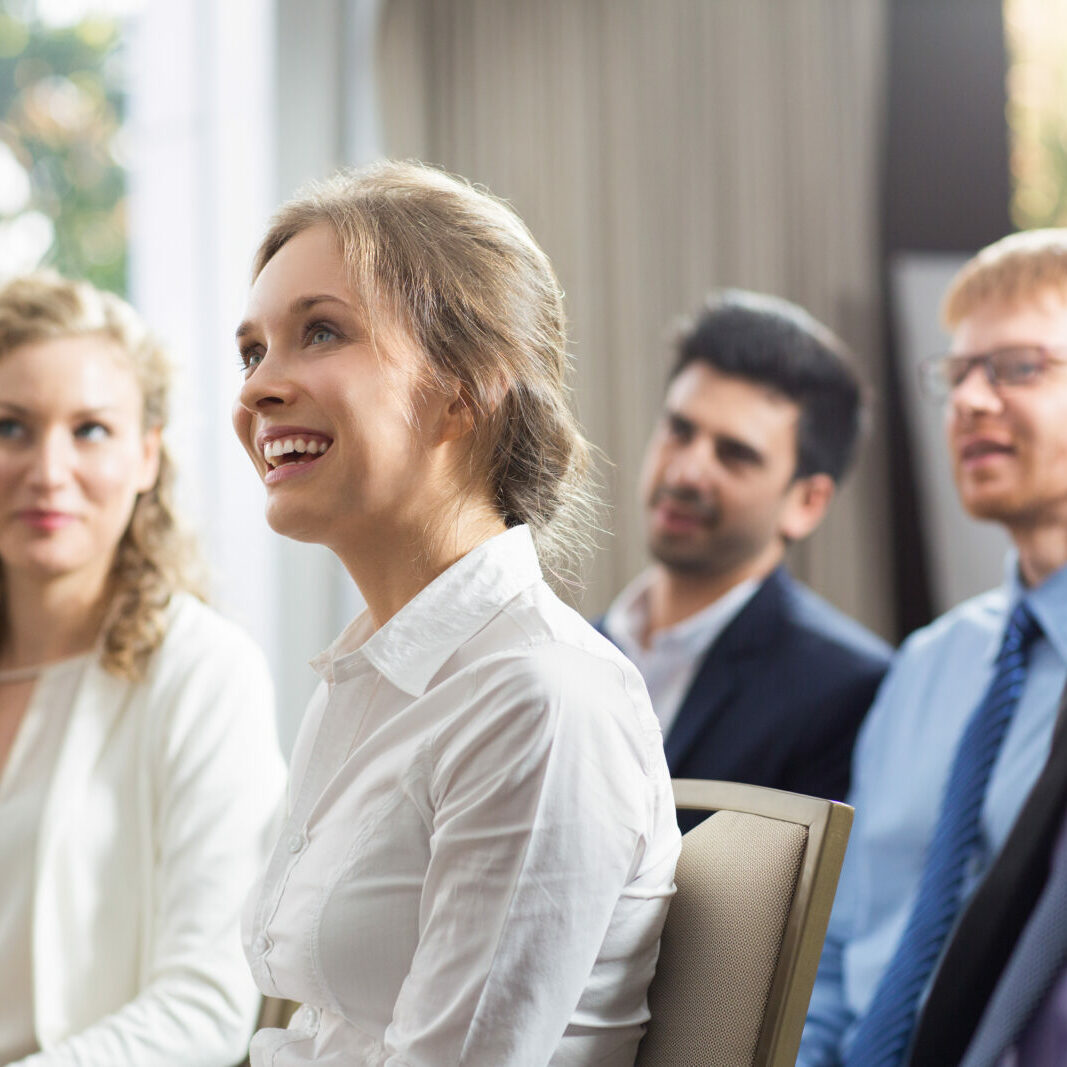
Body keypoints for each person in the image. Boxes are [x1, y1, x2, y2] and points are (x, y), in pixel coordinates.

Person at [233, 160, 681, 1066]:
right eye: (252, 352)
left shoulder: (540, 700)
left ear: (468, 388)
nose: (258, 389)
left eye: (320, 332)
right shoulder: (367, 683)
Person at [0, 272, 286, 1065]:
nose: (47, 470)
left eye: (89, 429)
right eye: (10, 426)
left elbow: (206, 1006)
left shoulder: (204, 673)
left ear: (146, 457)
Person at [798, 227, 1067, 1067]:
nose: (970, 401)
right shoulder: (926, 666)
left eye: (1017, 367)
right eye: (956, 374)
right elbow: (839, 949)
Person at [599, 290, 890, 821]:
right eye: (679, 430)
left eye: (734, 454)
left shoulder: (846, 691)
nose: (686, 471)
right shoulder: (574, 647)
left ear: (806, 502)